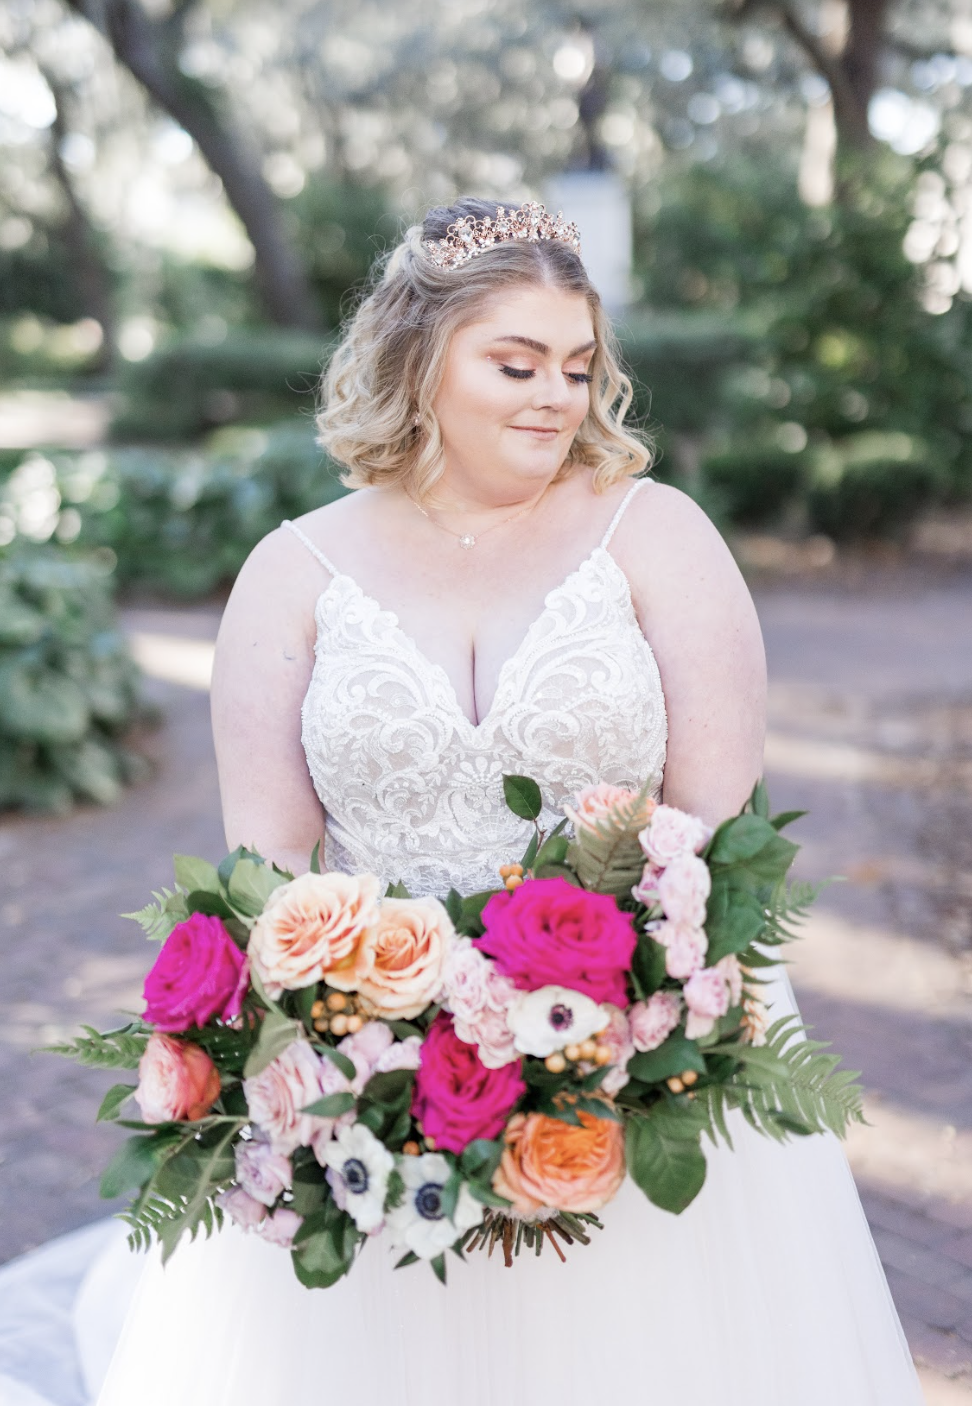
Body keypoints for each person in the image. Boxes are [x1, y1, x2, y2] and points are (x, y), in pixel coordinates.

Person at [87, 198, 922, 1404]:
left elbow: (721, 846)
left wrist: (617, 1031)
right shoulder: (293, 572)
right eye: (516, 362)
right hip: (370, 1082)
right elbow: (264, 876)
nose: (556, 395)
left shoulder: (659, 537)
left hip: (638, 1050)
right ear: (420, 364)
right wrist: (349, 1043)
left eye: (578, 366)